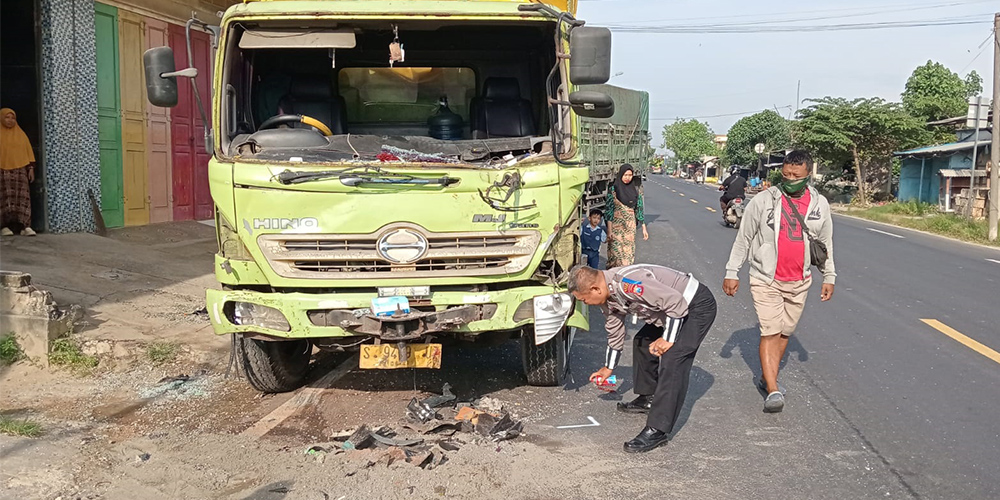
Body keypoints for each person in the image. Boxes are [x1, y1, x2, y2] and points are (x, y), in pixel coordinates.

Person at [722, 150, 836, 413]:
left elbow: (826, 244)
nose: (790, 179)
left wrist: (828, 276)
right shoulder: (763, 201)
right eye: (786, 175)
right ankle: (772, 388)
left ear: (809, 174)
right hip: (765, 278)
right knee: (770, 330)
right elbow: (744, 238)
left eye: (796, 175)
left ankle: (766, 375)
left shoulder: (820, 205)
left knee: (785, 332)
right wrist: (732, 271)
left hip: (800, 280)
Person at [569, 264, 717, 453]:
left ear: (595, 289)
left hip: (695, 306)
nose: (586, 303)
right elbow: (615, 331)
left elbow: (675, 302)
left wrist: (667, 339)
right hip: (669, 311)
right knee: (642, 341)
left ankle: (658, 429)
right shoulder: (608, 296)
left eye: (584, 299)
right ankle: (648, 397)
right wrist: (608, 367)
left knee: (674, 358)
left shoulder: (628, 283)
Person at [1, 108, 36, 236]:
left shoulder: (21, 135)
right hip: (2, 172)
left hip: (20, 171)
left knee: (23, 198)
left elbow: (28, 152)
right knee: (5, 199)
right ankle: (4, 226)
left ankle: (25, 226)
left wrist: (31, 169)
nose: (10, 120)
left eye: (13, 118)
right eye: (7, 117)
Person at [605, 164, 648, 268]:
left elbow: (639, 209)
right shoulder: (614, 189)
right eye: (625, 175)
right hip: (616, 227)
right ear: (621, 175)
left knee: (628, 252)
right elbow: (609, 210)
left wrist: (643, 228)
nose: (628, 178)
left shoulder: (635, 191)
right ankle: (613, 275)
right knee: (615, 252)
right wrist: (609, 230)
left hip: (630, 227)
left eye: (630, 175)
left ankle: (625, 275)